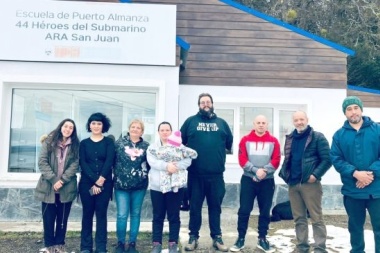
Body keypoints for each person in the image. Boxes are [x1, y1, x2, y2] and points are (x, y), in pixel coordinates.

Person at [180, 93, 233, 252]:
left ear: (212, 103)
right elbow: (179, 144)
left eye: (208, 102)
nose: (205, 104)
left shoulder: (222, 123)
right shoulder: (190, 122)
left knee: (215, 207)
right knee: (195, 208)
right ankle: (193, 237)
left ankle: (217, 237)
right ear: (199, 105)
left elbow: (229, 143)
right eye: (202, 102)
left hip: (216, 176)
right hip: (195, 175)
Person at [330, 96, 380, 253]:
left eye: (355, 108)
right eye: (349, 109)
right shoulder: (339, 135)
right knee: (356, 229)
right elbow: (336, 159)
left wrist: (369, 174)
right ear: (345, 113)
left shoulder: (377, 130)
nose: (353, 112)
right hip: (353, 191)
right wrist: (355, 173)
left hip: (376, 191)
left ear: (361, 109)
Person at [279, 111, 331, 253]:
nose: (299, 122)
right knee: (299, 218)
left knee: (316, 218)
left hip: (310, 184)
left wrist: (315, 175)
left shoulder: (317, 137)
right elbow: (288, 159)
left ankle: (320, 248)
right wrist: (287, 176)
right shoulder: (290, 138)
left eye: (302, 119)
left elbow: (327, 159)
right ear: (293, 122)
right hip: (293, 184)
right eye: (296, 120)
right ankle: (302, 247)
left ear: (307, 120)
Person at [230, 115, 281, 252]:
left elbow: (276, 159)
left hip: (267, 180)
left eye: (263, 123)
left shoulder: (274, 141)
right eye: (258, 122)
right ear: (254, 124)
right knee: (244, 210)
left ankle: (262, 238)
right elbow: (241, 158)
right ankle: (241, 238)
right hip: (248, 179)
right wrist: (255, 170)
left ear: (267, 124)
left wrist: (265, 170)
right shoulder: (245, 140)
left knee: (265, 211)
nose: (261, 125)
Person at [147, 122, 197, 253]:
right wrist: (166, 166)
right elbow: (152, 161)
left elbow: (188, 160)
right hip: (157, 187)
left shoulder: (180, 147)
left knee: (174, 216)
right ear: (158, 132)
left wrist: (175, 167)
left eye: (167, 130)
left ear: (171, 132)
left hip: (175, 187)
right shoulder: (152, 148)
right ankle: (156, 243)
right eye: (162, 130)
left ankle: (173, 243)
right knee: (158, 216)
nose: (165, 132)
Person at [35, 119, 80, 253]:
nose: (68, 129)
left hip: (66, 187)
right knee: (48, 219)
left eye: (71, 128)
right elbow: (42, 162)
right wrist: (54, 180)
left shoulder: (75, 145)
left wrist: (62, 180)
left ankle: (59, 245)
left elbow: (75, 164)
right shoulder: (49, 142)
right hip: (48, 187)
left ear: (73, 131)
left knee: (62, 219)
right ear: (61, 127)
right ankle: (49, 246)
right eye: (66, 126)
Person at [79, 112, 115, 253]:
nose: (96, 126)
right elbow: (83, 162)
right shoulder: (84, 144)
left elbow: (109, 162)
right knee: (87, 215)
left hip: (105, 184)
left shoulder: (109, 142)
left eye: (99, 123)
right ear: (89, 125)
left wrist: (100, 181)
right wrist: (95, 181)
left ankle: (101, 247)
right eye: (93, 123)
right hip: (86, 184)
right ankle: (86, 247)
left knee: (101, 215)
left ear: (103, 125)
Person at [114, 119, 150, 253]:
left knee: (135, 214)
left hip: (139, 187)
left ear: (142, 131)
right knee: (122, 215)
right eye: (133, 127)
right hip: (121, 186)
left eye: (138, 128)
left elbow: (150, 165)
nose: (135, 129)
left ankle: (132, 243)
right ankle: (121, 243)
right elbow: (112, 161)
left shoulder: (146, 146)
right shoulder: (119, 144)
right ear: (129, 129)